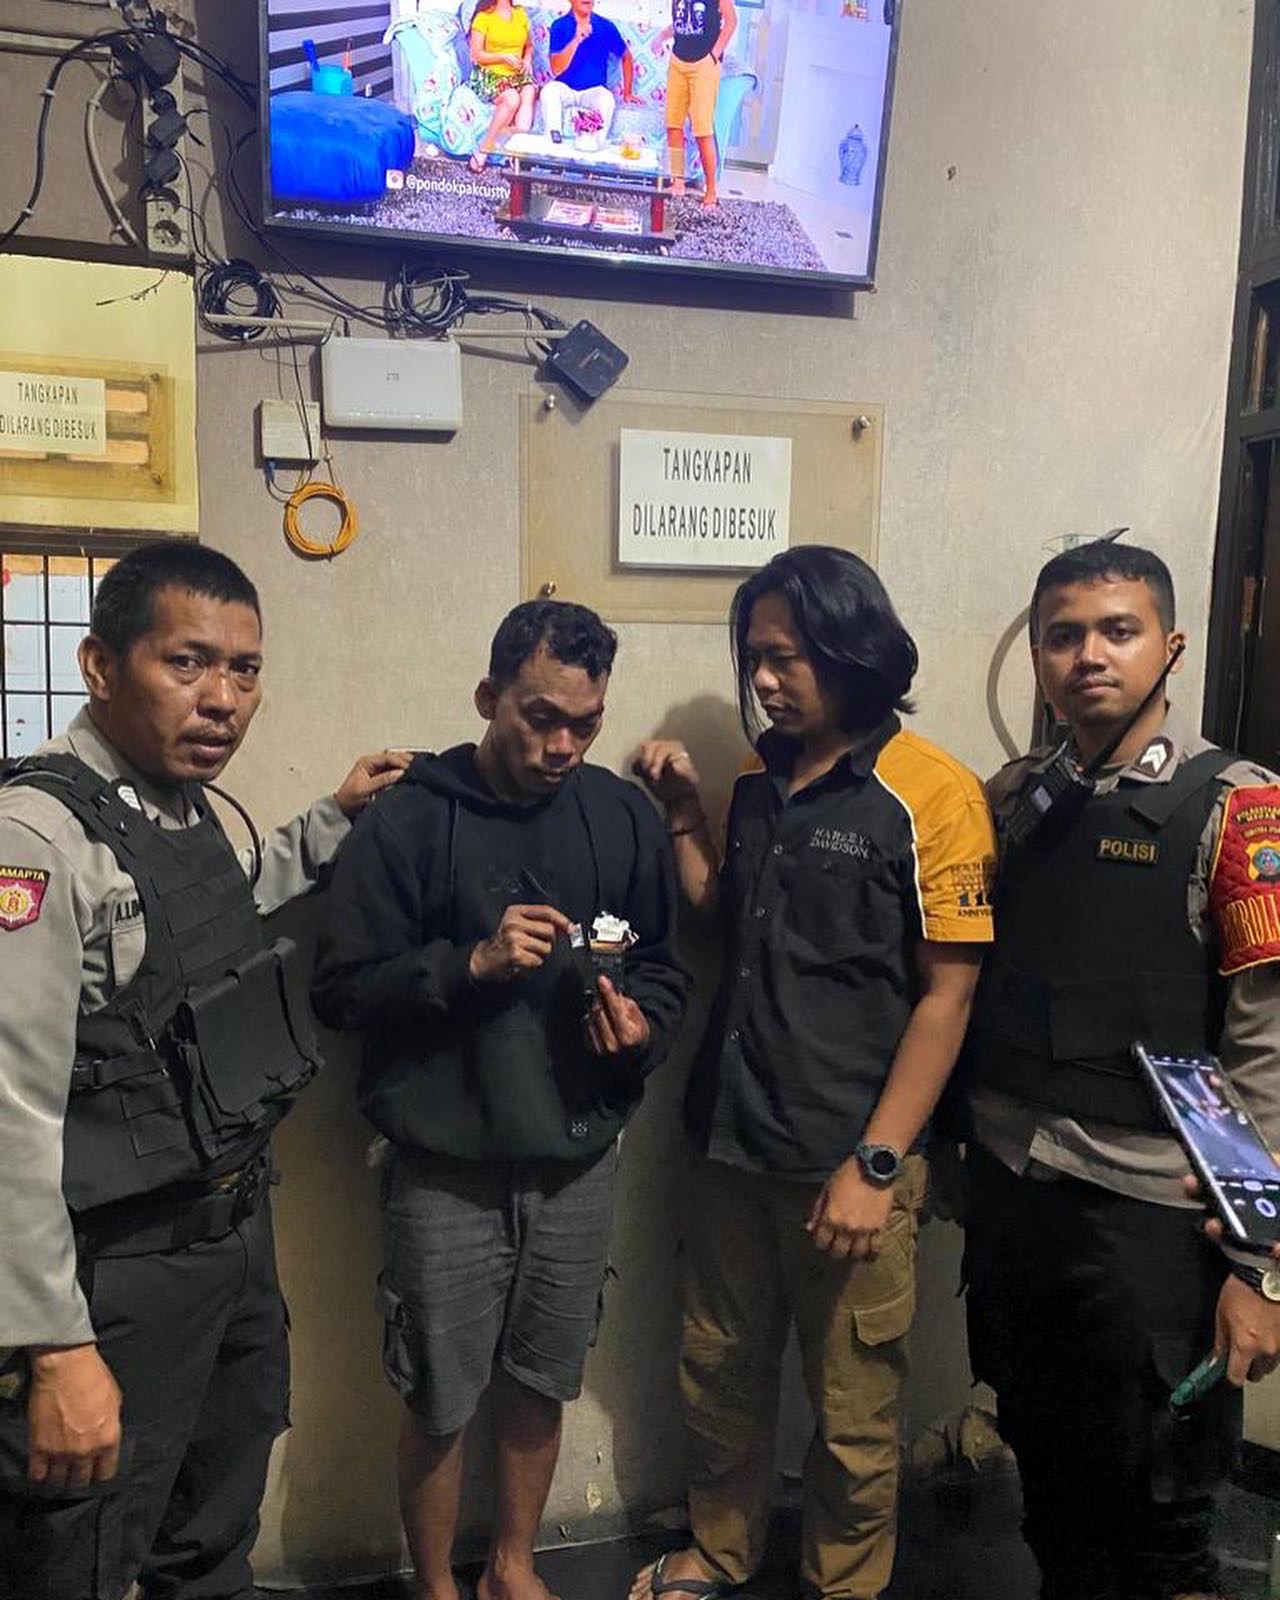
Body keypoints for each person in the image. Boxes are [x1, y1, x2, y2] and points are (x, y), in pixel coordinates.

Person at [0, 541, 407, 1600]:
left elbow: (209, 911)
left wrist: (331, 819)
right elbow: (9, 1112)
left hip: (230, 1237)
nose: (222, 698)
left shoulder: (179, 805)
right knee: (80, 1554)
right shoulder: (34, 838)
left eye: (244, 669)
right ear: (101, 666)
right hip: (115, 1274)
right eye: (186, 663)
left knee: (212, 1536)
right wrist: (53, 1346)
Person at [628, 546, 996, 1600]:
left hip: (851, 1159)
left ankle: (843, 1584)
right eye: (754, 657)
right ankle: (719, 1550)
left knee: (851, 1409)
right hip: (730, 1139)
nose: (764, 679)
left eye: (785, 657)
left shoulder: (930, 793)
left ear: (850, 649)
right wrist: (684, 814)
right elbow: (719, 913)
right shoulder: (757, 781)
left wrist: (876, 1162)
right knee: (717, 1373)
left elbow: (947, 997)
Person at [310, 599, 688, 1600]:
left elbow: (662, 966)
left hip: (576, 1156)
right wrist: (467, 965)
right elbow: (338, 991)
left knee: (542, 1378)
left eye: (584, 723)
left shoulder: (621, 817)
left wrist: (642, 1029)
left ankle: (511, 1568)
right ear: (488, 698)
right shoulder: (409, 820)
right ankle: (436, 1582)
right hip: (444, 1166)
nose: (562, 745)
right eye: (539, 717)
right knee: (439, 1396)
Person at [960, 540, 1280, 1600]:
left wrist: (1260, 1268)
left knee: (1161, 1513)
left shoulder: (1240, 808)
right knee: (1048, 1477)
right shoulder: (1015, 797)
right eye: (1063, 635)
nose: (1087, 655)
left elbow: (1266, 1047)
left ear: (1170, 647)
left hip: (1151, 1216)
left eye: (1117, 630)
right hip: (1016, 1191)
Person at [652, 0, 736, 207]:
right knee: (673, 124)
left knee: (702, 130)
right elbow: (682, 24)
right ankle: (678, 181)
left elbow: (731, 21)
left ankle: (711, 190)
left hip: (704, 64)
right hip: (678, 61)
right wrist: (661, 37)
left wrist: (713, 56)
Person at [540, 0, 641, 143]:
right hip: (565, 88)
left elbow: (626, 56)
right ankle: (554, 143)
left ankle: (596, 145)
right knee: (549, 91)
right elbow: (556, 69)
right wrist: (576, 40)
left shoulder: (606, 27)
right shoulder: (559, 26)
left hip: (594, 90)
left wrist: (628, 92)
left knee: (607, 100)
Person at [467, 0, 538, 172]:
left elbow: (529, 45)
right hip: (490, 74)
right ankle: (484, 148)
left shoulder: (520, 14)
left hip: (516, 74)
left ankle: (517, 154)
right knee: (512, 98)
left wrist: (527, 59)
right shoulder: (483, 17)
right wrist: (503, 57)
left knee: (529, 91)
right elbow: (476, 55)